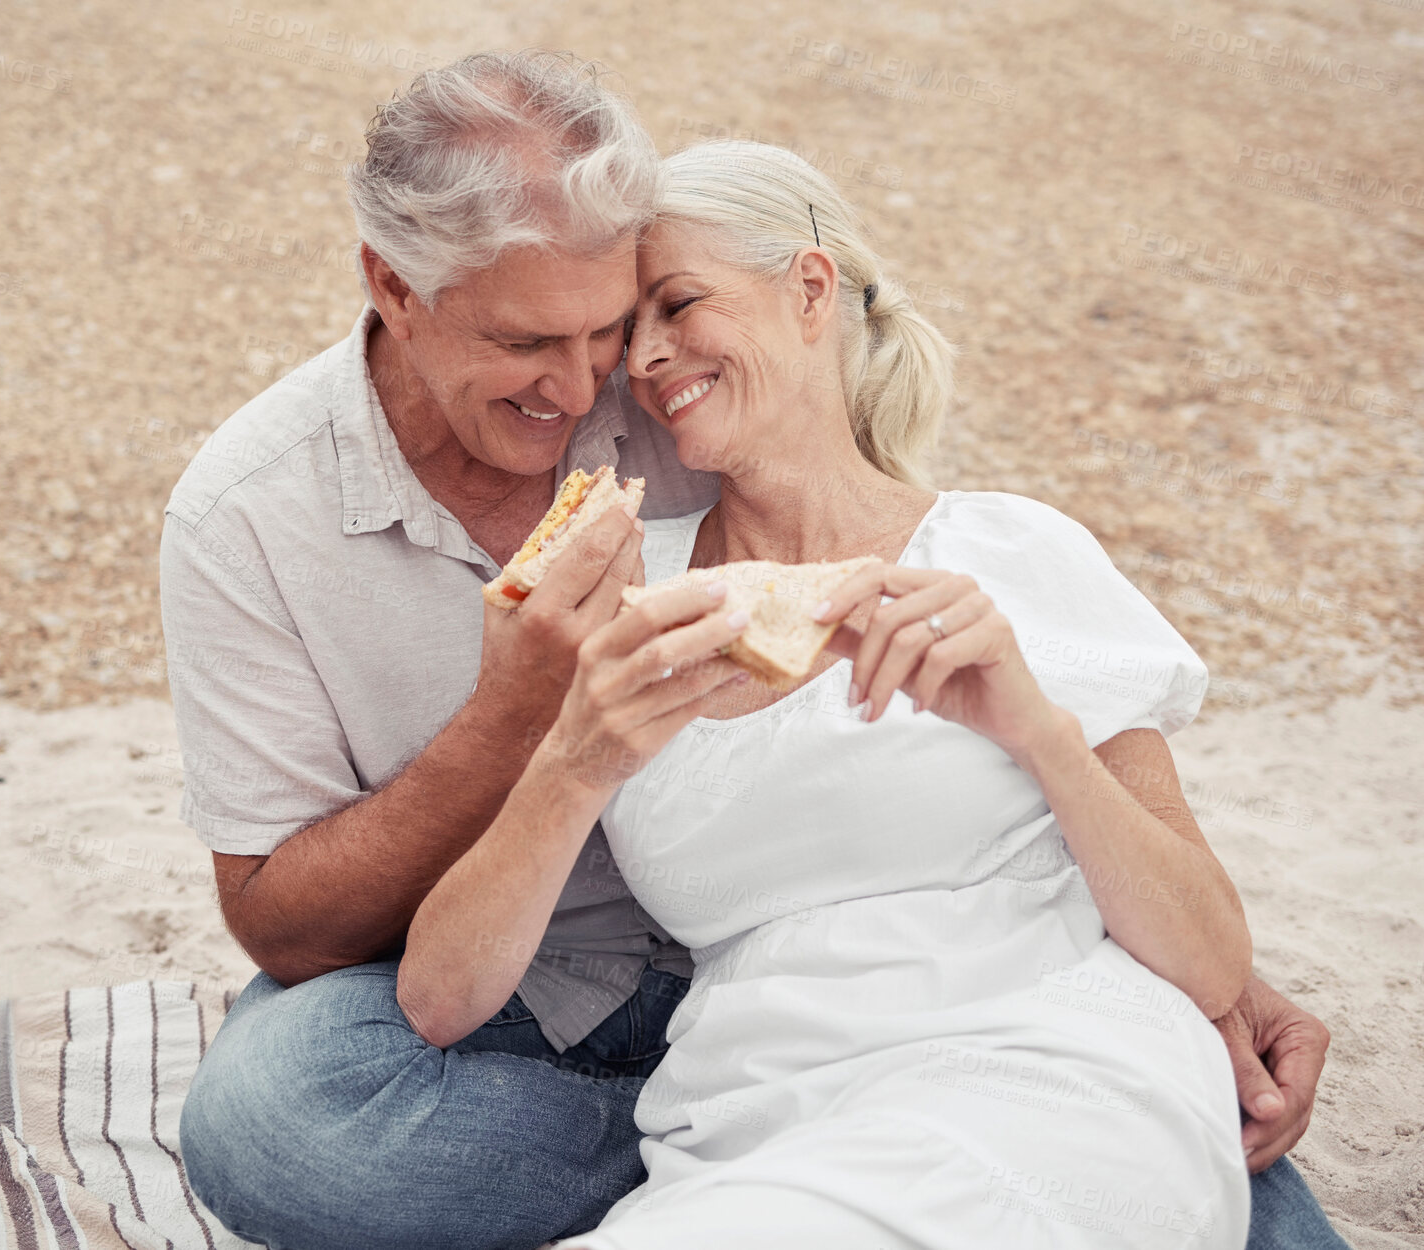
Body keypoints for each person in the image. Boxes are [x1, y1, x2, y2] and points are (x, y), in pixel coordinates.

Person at [164, 51, 1345, 1250]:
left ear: (812, 289)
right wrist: (531, 719)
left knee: (1124, 1084)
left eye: (626, 322)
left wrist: (1203, 973)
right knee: (272, 1107)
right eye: (536, 341)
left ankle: (1150, 1143)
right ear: (393, 285)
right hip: (656, 1036)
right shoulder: (257, 517)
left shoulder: (967, 534)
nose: (596, 385)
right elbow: (306, 935)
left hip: (984, 1034)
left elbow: (852, 471)